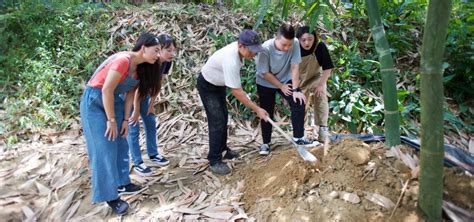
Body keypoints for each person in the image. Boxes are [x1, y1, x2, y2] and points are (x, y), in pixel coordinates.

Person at [80, 32, 162, 215]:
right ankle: (110, 197)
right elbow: (106, 90)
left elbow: (130, 95)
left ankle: (122, 182)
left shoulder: (141, 68)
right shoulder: (123, 61)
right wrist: (111, 121)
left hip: (115, 101)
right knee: (104, 148)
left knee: (121, 143)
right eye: (156, 51)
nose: (158, 55)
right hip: (95, 101)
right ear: (143, 48)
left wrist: (125, 119)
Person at [197, 29, 269, 175]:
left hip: (218, 85)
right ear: (241, 45)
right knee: (217, 121)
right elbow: (237, 92)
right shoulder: (231, 59)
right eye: (252, 50)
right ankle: (214, 160)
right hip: (208, 86)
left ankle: (223, 150)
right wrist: (257, 109)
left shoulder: (239, 52)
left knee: (223, 117)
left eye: (256, 50)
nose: (254, 54)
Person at [256, 23, 319, 156]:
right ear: (276, 38)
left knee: (299, 101)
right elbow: (264, 73)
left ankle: (298, 138)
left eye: (289, 45)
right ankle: (266, 143)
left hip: (286, 79)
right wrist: (280, 86)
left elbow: (295, 66)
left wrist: (296, 89)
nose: (287, 48)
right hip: (266, 82)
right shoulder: (266, 48)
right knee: (267, 111)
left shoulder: (295, 42)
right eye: (284, 45)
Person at [127, 34, 177, 177]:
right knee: (133, 126)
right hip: (130, 95)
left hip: (144, 95)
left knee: (150, 121)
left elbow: (157, 83)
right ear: (158, 49)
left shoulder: (166, 62)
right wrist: (136, 110)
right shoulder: (148, 62)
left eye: (173, 50)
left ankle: (153, 154)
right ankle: (137, 162)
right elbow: (136, 89)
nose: (171, 54)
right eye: (168, 50)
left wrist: (151, 104)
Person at [296, 26, 334, 141]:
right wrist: (295, 88)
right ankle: (300, 132)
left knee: (321, 95)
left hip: (316, 78)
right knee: (300, 103)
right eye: (303, 40)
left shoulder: (320, 47)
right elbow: (290, 69)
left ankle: (323, 129)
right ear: (298, 40)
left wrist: (321, 84)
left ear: (315, 38)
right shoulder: (294, 48)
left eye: (310, 39)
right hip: (299, 80)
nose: (307, 43)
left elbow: (327, 68)